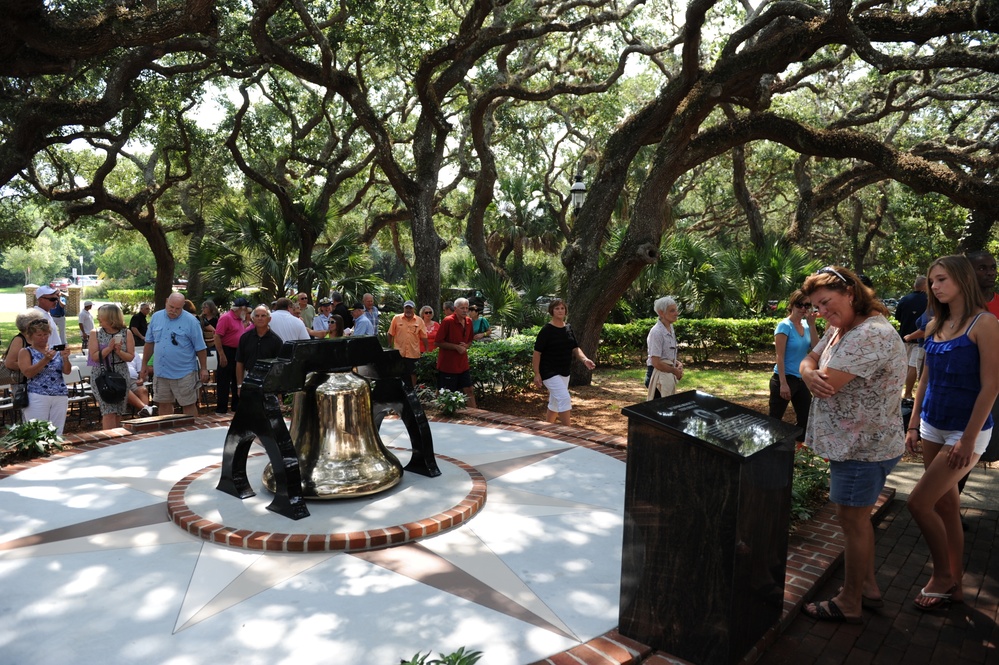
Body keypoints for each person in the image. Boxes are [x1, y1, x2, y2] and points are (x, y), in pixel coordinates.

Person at [799, 265, 906, 625]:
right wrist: (806, 370)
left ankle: (850, 601)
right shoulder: (842, 327)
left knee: (852, 522)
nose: (823, 312)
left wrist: (811, 373)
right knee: (856, 521)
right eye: (816, 307)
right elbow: (811, 359)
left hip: (861, 448)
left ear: (850, 293)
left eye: (827, 302)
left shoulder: (868, 335)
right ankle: (869, 589)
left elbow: (828, 381)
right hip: (854, 444)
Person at [904, 255, 999, 611]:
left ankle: (942, 574)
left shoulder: (985, 324)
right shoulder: (933, 325)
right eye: (932, 281)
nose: (935, 286)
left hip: (967, 429)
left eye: (941, 279)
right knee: (946, 506)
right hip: (931, 423)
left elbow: (991, 387)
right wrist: (913, 424)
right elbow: (926, 379)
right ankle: (954, 586)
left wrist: (968, 439)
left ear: (961, 279)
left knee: (918, 502)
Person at [138, 293, 210, 417]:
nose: (173, 311)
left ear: (183, 306)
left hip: (184, 372)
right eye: (171, 307)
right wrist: (144, 364)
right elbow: (149, 343)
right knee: (164, 404)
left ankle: (193, 433)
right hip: (161, 372)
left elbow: (200, 348)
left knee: (188, 404)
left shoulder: (192, 321)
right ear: (166, 301)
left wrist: (203, 368)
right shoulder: (156, 317)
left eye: (178, 308)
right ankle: (167, 434)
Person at [532, 298, 595, 425]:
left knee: (555, 402)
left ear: (565, 311)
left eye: (562, 308)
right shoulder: (546, 330)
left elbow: (575, 348)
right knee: (564, 398)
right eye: (557, 308)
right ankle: (568, 432)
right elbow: (537, 353)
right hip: (548, 371)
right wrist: (537, 373)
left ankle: (546, 429)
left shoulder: (568, 328)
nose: (560, 311)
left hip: (564, 371)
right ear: (552, 311)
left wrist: (585, 359)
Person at [769, 289, 818, 436]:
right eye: (799, 305)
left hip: (800, 379)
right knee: (774, 419)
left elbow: (816, 348)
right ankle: (768, 451)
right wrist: (783, 384)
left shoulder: (807, 326)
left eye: (807, 305)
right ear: (792, 305)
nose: (803, 309)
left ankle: (797, 449)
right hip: (783, 378)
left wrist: (813, 325)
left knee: (806, 418)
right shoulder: (784, 326)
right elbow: (780, 356)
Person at [88, 304, 143, 429]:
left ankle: (117, 441)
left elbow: (130, 357)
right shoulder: (95, 333)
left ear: (111, 318)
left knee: (118, 411)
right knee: (108, 411)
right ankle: (108, 441)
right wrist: (109, 348)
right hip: (101, 374)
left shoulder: (126, 332)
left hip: (121, 373)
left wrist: (119, 352)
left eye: (101, 316)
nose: (98, 318)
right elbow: (95, 357)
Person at [17, 317, 72, 434]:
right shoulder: (26, 352)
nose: (43, 338)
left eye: (45, 334)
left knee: (57, 432)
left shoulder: (55, 350)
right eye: (39, 335)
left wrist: (65, 358)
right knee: (37, 433)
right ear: (30, 336)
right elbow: (28, 373)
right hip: (37, 395)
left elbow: (67, 371)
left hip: (60, 394)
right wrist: (46, 359)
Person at [435, 297, 477, 408]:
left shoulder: (469, 321)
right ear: (455, 308)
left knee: (469, 390)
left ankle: (475, 416)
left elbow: (470, 340)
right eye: (462, 308)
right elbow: (438, 342)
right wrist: (455, 347)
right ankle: (442, 417)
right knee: (446, 394)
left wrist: (466, 346)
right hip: (448, 365)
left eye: (467, 308)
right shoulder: (447, 321)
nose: (465, 310)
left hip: (463, 364)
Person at [213, 297, 252, 414]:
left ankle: (236, 405)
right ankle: (221, 407)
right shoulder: (226, 318)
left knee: (237, 378)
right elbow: (217, 336)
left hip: (237, 351)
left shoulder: (240, 319)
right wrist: (221, 354)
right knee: (224, 380)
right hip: (226, 350)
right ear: (241, 309)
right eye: (246, 310)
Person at [236, 305, 285, 391]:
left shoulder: (276, 341)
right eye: (257, 316)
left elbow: (279, 367)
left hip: (268, 382)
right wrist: (239, 385)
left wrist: (278, 390)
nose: (260, 318)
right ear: (253, 319)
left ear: (269, 319)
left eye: (263, 316)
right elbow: (240, 362)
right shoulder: (245, 338)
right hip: (248, 379)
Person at [896, 276, 928, 400]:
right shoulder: (929, 301)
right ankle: (908, 393)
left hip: (904, 337)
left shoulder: (904, 299)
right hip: (918, 339)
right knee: (913, 367)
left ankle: (899, 392)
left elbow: (898, 317)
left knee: (902, 366)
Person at [645, 296, 683, 399]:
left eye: (676, 310)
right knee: (659, 412)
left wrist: (677, 363)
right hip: (657, 377)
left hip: (667, 374)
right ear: (661, 313)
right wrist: (674, 371)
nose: (676, 313)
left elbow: (666, 355)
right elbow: (656, 362)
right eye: (672, 311)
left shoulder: (670, 327)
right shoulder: (656, 332)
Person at [388, 300, 427, 386]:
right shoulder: (396, 318)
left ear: (414, 309)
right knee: (398, 373)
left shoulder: (419, 320)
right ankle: (399, 391)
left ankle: (412, 391)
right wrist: (390, 345)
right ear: (404, 308)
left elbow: (424, 336)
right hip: (399, 352)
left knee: (413, 373)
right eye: (406, 308)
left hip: (413, 353)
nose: (408, 310)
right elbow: (390, 333)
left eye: (410, 308)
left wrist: (427, 350)